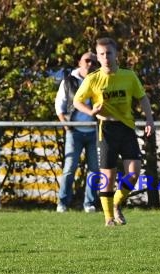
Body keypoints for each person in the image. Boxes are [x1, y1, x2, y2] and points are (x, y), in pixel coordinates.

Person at [73, 37, 155, 226]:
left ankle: (117, 203)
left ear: (116, 54)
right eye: (101, 54)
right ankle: (108, 217)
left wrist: (149, 119)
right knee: (108, 177)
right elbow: (77, 101)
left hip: (126, 127)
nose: (105, 57)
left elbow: (142, 97)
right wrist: (91, 111)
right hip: (106, 129)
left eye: (109, 53)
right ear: (98, 57)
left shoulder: (128, 76)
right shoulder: (93, 79)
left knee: (134, 173)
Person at [55, 52, 99, 213]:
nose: (90, 64)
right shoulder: (69, 81)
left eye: (94, 62)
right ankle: (63, 203)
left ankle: (90, 203)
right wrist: (67, 126)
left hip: (95, 132)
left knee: (95, 170)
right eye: (87, 61)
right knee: (69, 168)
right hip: (74, 132)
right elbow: (59, 106)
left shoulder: (100, 81)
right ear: (79, 62)